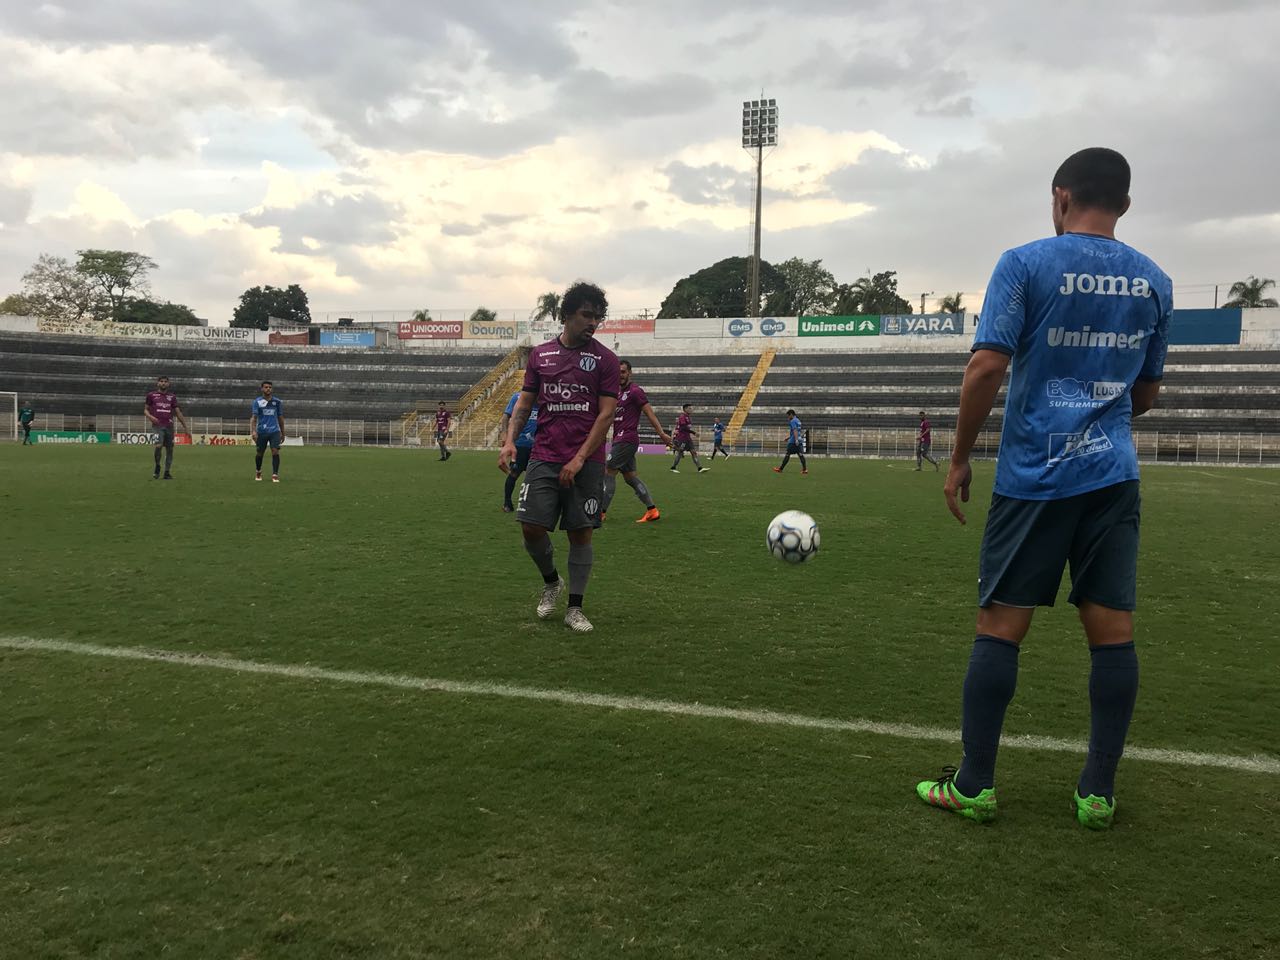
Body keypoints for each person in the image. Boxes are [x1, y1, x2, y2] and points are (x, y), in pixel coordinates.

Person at [915, 147, 1171, 830]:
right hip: (1113, 475)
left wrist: (961, 456)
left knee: (1000, 628)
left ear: (1061, 197)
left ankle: (974, 785)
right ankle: (1097, 792)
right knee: (1112, 634)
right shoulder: (1154, 281)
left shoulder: (1026, 263)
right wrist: (1101, 411)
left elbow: (984, 368)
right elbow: (1145, 394)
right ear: (1124, 203)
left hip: (1035, 475)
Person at [499, 281, 620, 633]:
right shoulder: (540, 356)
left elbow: (606, 415)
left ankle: (575, 608)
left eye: (598, 317)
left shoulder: (606, 360)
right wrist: (509, 441)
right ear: (566, 315)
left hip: (587, 460)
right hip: (544, 454)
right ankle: (552, 581)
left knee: (581, 534)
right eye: (586, 315)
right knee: (531, 527)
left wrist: (580, 458)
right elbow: (524, 404)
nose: (593, 322)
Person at [602, 360, 673, 523]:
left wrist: (661, 433)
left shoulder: (635, 391)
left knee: (608, 471)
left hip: (626, 438)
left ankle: (600, 512)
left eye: (623, 372)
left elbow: (649, 413)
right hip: (619, 439)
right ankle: (652, 510)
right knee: (630, 477)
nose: (620, 375)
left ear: (630, 373)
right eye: (618, 372)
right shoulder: (617, 393)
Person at [498, 390, 539, 512]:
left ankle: (531, 505)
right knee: (514, 473)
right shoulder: (517, 397)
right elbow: (506, 416)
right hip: (520, 444)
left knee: (536, 477)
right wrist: (505, 434)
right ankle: (507, 503)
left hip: (539, 446)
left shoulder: (546, 397)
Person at [144, 375, 189, 480]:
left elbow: (178, 413)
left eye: (165, 381)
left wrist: (186, 428)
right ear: (158, 383)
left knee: (170, 450)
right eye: (161, 381)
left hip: (169, 426)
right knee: (158, 445)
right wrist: (150, 417)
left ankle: (167, 472)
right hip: (157, 426)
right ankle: (157, 466)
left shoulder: (172, 397)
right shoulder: (151, 395)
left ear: (168, 384)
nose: (163, 383)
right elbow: (145, 410)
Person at [250, 381, 286, 483]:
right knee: (259, 453)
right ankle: (258, 471)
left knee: (275, 451)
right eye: (266, 387)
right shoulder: (257, 402)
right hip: (262, 431)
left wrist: (283, 432)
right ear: (262, 389)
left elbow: (280, 418)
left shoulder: (277, 402)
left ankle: (275, 474)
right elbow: (254, 418)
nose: (268, 389)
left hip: (274, 431)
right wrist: (253, 431)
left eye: (270, 387)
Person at [669, 403, 709, 474]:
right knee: (680, 453)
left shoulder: (688, 417)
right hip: (682, 438)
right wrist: (694, 432)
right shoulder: (682, 417)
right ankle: (673, 467)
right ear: (685, 409)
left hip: (688, 438)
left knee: (693, 452)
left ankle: (700, 468)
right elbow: (684, 428)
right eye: (690, 408)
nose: (691, 410)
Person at [772, 409, 807, 475]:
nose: (788, 417)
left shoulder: (793, 421)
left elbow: (795, 430)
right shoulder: (798, 421)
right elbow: (798, 431)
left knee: (787, 454)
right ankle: (805, 470)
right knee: (801, 455)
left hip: (793, 441)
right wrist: (789, 438)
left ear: (791, 414)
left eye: (788, 416)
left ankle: (780, 469)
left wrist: (795, 439)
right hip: (799, 440)